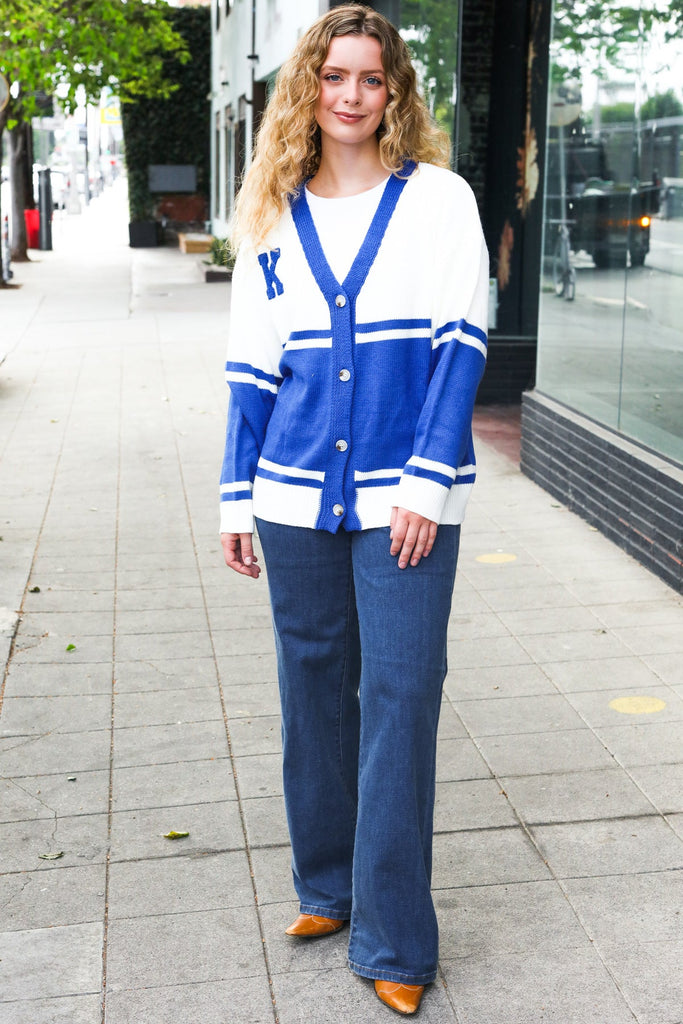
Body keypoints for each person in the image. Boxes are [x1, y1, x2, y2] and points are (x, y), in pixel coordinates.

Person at [220, 4, 488, 1015]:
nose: (349, 94)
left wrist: (423, 483)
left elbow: (459, 346)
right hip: (290, 496)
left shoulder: (440, 202)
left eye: (369, 79)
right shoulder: (276, 213)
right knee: (314, 692)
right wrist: (235, 495)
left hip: (405, 500)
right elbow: (252, 369)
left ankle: (393, 938)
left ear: (393, 93)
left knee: (402, 699)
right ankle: (326, 888)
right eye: (332, 76)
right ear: (307, 86)